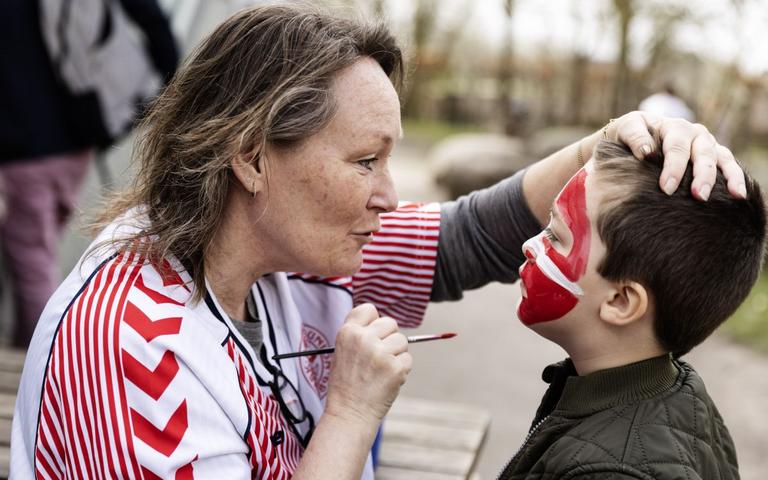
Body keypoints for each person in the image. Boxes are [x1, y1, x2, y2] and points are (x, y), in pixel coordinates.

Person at [11, 5, 747, 480]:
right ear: (253, 157)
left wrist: (610, 143)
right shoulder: (132, 353)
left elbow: (471, 238)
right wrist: (350, 415)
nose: (390, 195)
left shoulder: (286, 247)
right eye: (365, 161)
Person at [497, 139, 764, 479]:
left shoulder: (613, 471)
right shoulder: (677, 391)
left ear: (621, 301)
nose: (530, 245)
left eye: (557, 237)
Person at [0, 0, 178, 347]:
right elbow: (152, 19)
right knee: (35, 255)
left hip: (26, 148)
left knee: (32, 261)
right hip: (73, 136)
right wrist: (156, 96)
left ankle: (43, 364)